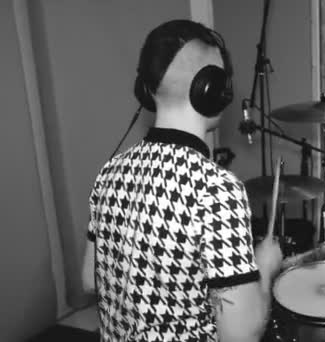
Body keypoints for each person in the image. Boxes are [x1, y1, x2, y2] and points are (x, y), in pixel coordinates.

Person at [81, 19, 283, 342]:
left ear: (145, 91)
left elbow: (91, 280)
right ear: (211, 91)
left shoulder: (109, 172)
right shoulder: (215, 191)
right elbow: (241, 335)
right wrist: (266, 267)